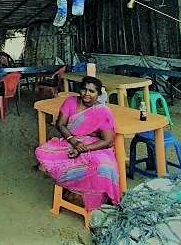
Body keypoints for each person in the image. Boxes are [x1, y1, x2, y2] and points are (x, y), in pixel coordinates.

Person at [34, 76, 121, 211]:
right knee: (43, 153)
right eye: (84, 90)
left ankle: (93, 197)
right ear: (80, 90)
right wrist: (73, 141)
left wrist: (82, 149)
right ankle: (72, 189)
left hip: (95, 146)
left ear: (98, 94)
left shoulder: (102, 111)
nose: (87, 94)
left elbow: (108, 141)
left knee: (105, 167)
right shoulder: (70, 102)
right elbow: (60, 124)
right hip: (71, 141)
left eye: (91, 91)